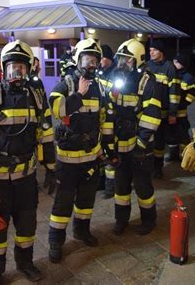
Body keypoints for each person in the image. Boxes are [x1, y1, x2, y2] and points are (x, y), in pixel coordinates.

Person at [0, 40, 56, 284]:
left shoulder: (38, 99)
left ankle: (25, 263)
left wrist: (51, 169)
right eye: (12, 68)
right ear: (4, 69)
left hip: (27, 180)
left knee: (27, 227)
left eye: (21, 68)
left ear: (29, 69)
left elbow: (46, 137)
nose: (16, 73)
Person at [48, 38, 115, 263]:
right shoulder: (67, 83)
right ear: (78, 60)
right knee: (62, 203)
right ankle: (55, 242)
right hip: (67, 160)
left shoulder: (100, 87)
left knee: (86, 201)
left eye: (94, 61)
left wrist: (108, 147)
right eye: (87, 59)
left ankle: (82, 231)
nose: (91, 65)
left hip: (90, 157)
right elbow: (56, 109)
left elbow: (104, 118)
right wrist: (77, 94)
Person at [110, 39, 162, 235]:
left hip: (140, 144)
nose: (123, 64)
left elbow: (152, 116)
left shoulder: (148, 82)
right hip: (121, 142)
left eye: (128, 60)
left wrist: (141, 142)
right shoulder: (117, 78)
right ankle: (120, 220)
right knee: (120, 186)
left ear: (138, 61)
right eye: (121, 59)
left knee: (143, 186)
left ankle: (149, 220)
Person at [147, 40, 180, 178]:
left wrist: (172, 113)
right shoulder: (147, 66)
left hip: (162, 113)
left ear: (161, 51)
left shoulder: (169, 68)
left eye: (154, 50)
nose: (151, 52)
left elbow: (174, 93)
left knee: (159, 142)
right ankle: (147, 167)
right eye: (150, 50)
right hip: (147, 111)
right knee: (147, 140)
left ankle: (157, 169)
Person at [97, 44, 116, 199]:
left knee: (109, 153)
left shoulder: (115, 74)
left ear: (109, 59)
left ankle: (110, 188)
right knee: (100, 152)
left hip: (111, 119)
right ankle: (100, 183)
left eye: (103, 57)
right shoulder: (98, 72)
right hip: (99, 118)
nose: (101, 60)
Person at [171, 53, 195, 157]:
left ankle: (185, 155)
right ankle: (173, 155)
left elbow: (192, 93)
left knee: (183, 134)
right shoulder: (172, 74)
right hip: (171, 112)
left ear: (182, 64)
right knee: (172, 134)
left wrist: (182, 103)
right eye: (173, 61)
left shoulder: (188, 77)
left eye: (176, 62)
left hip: (181, 112)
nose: (174, 63)